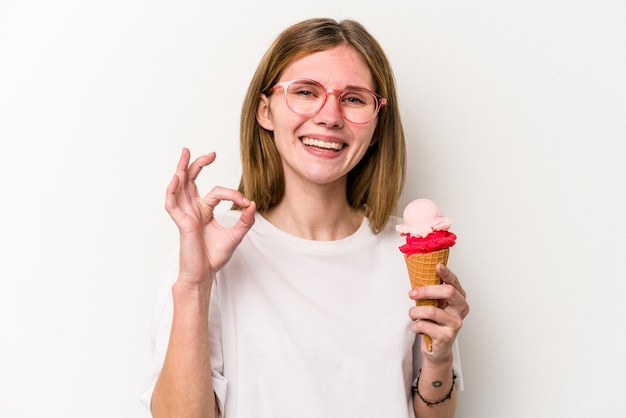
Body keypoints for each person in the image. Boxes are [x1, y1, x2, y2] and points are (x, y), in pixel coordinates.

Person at [140, 17, 469, 418]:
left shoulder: (406, 256)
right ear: (265, 111)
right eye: (306, 92)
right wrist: (194, 285)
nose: (330, 116)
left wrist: (439, 362)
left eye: (353, 99)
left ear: (377, 125)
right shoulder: (208, 255)